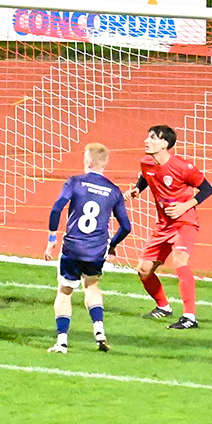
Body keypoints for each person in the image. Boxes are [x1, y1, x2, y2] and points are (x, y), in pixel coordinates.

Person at [43, 144, 132, 352]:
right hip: (96, 250)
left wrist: (51, 238)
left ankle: (62, 342)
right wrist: (112, 245)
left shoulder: (75, 182)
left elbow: (57, 208)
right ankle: (99, 331)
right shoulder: (114, 190)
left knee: (65, 292)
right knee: (91, 286)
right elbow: (126, 227)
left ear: (89, 162)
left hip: (73, 247)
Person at [129, 124, 212, 330]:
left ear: (165, 144)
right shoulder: (146, 162)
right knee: (144, 270)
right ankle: (163, 307)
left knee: (180, 260)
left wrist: (185, 205)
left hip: (184, 222)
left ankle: (190, 317)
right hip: (163, 225)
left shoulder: (183, 167)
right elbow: (146, 176)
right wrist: (137, 189)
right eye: (148, 137)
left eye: (153, 138)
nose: (147, 141)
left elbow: (207, 189)